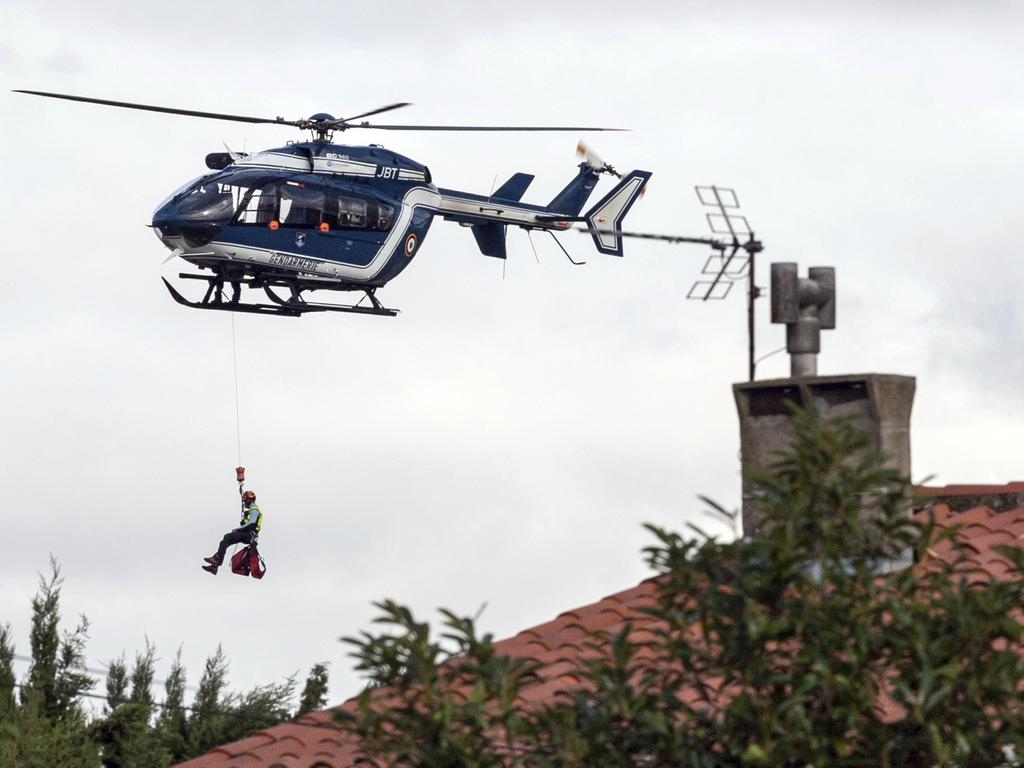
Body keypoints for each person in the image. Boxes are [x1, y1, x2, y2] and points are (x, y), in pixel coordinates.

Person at [202, 490, 263, 575]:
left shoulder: (255, 509)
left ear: (249, 500)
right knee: (225, 542)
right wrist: (244, 523)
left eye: (245, 501)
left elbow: (252, 523)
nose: (245, 503)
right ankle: (214, 566)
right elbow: (249, 523)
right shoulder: (252, 510)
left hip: (249, 535)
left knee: (227, 537)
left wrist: (239, 529)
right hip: (247, 534)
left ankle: (216, 560)